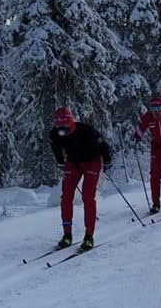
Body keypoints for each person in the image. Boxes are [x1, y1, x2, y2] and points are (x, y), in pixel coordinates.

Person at [49, 106, 112, 252]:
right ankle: (67, 235)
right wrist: (60, 162)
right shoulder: (55, 133)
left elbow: (103, 145)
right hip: (73, 162)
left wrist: (107, 160)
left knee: (87, 196)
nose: (61, 125)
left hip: (92, 161)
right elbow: (56, 148)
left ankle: (89, 236)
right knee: (66, 197)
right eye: (57, 123)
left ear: (70, 120)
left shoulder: (85, 130)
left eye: (64, 122)